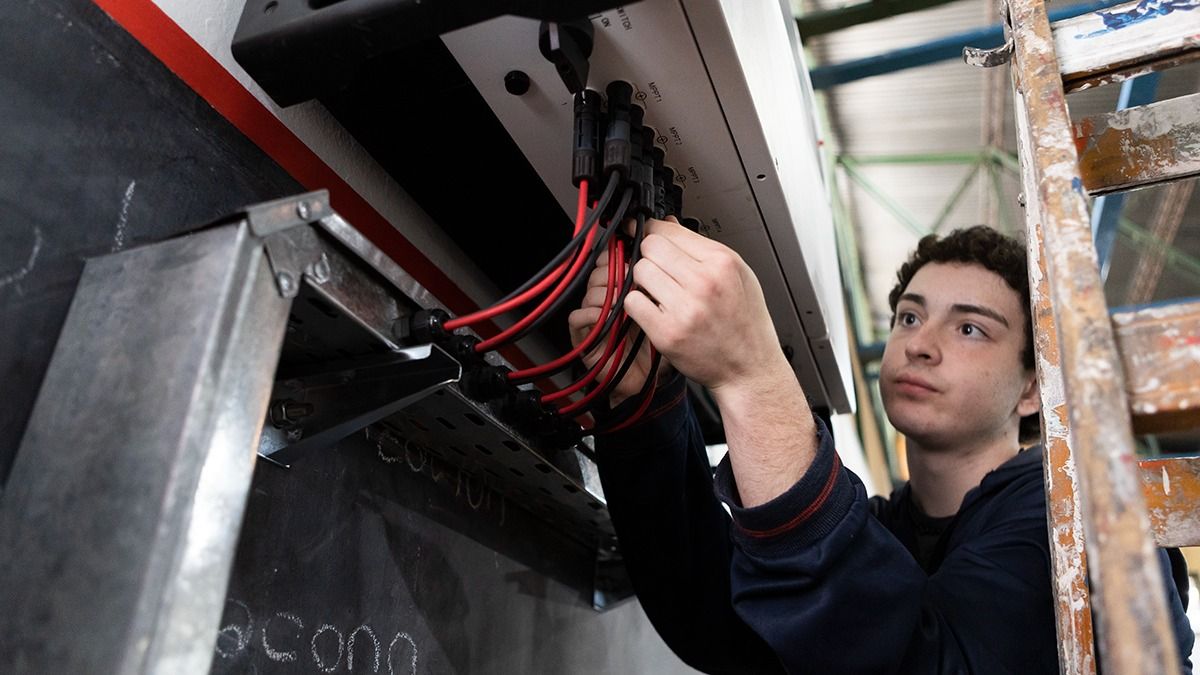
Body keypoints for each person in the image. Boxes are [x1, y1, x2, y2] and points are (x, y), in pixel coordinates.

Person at [569, 222, 1194, 674]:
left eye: (971, 327)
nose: (921, 344)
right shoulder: (887, 532)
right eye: (910, 317)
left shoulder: (1073, 516)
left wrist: (755, 378)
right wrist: (641, 409)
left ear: (1033, 388)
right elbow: (721, 624)